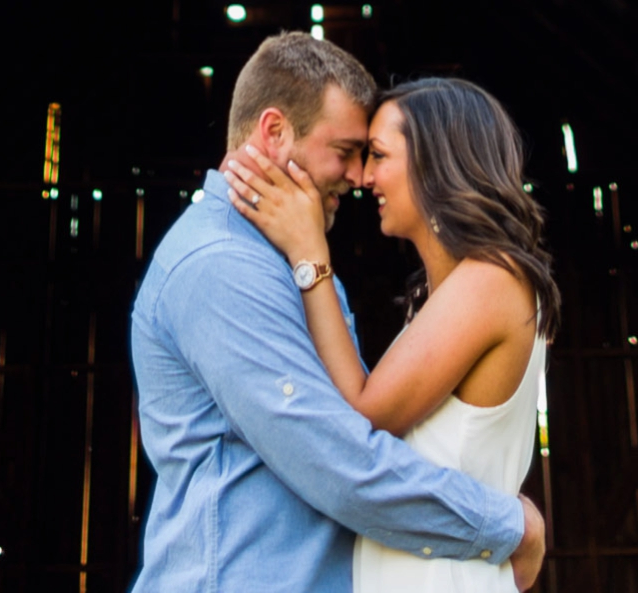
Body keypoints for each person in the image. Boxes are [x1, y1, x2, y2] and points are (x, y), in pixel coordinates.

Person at [131, 33, 546, 592]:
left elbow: (356, 422)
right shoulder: (220, 267)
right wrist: (507, 523)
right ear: (275, 132)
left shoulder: (294, 263)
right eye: (349, 151)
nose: (358, 177)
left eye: (372, 156)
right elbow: (337, 459)